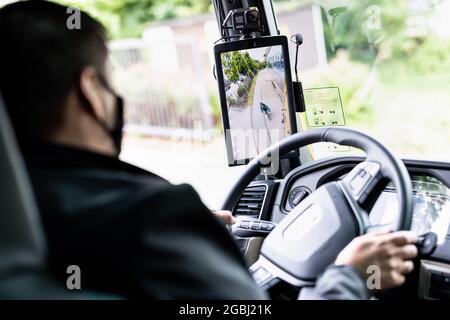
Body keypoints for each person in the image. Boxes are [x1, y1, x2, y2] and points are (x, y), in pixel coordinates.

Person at [0, 0, 418, 299]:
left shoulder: (20, 215)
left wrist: (199, 245)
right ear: (90, 91)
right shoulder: (152, 220)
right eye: (110, 81)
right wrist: (352, 275)